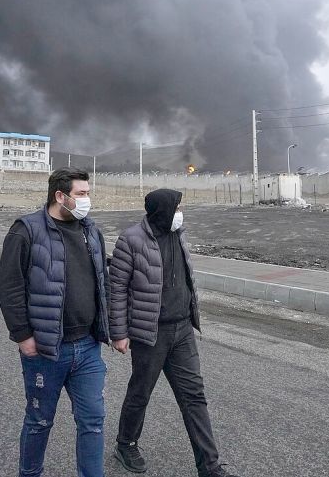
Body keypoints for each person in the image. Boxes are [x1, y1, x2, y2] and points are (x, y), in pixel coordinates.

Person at [109, 189, 239, 477]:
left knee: (194, 396)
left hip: (182, 331)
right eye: (178, 207)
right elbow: (116, 289)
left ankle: (209, 465)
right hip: (150, 333)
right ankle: (126, 443)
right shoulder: (131, 240)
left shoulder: (178, 234)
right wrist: (119, 332)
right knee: (141, 392)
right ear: (163, 210)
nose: (181, 212)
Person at [0, 167, 111, 477]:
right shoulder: (26, 230)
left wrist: (113, 328)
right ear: (60, 196)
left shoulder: (91, 231)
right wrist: (22, 335)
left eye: (88, 193)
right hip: (47, 349)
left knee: (93, 420)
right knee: (39, 421)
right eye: (81, 194)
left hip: (87, 348)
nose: (87, 200)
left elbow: (103, 280)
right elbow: (10, 285)